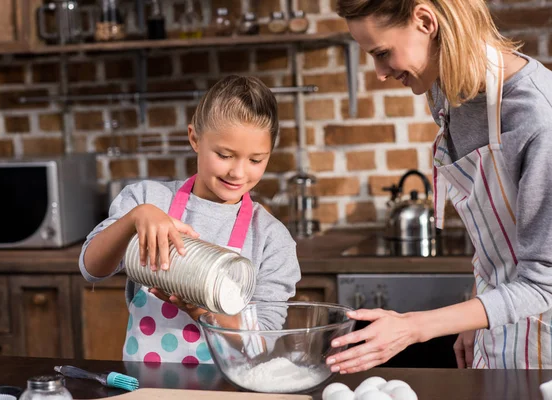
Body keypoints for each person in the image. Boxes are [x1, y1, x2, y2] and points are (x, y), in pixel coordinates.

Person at [329, 0, 552, 372]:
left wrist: (412, 327)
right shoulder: (448, 94)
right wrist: (472, 312)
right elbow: (497, 243)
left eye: (383, 53)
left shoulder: (537, 118)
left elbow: (544, 283)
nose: (380, 72)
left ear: (425, 21)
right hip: (497, 323)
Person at [78, 75, 301, 364]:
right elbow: (91, 268)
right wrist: (135, 217)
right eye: (224, 155)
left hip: (226, 392)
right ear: (194, 138)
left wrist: (203, 311)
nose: (238, 172)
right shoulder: (150, 199)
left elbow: (262, 343)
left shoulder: (271, 238)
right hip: (148, 386)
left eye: (255, 160)